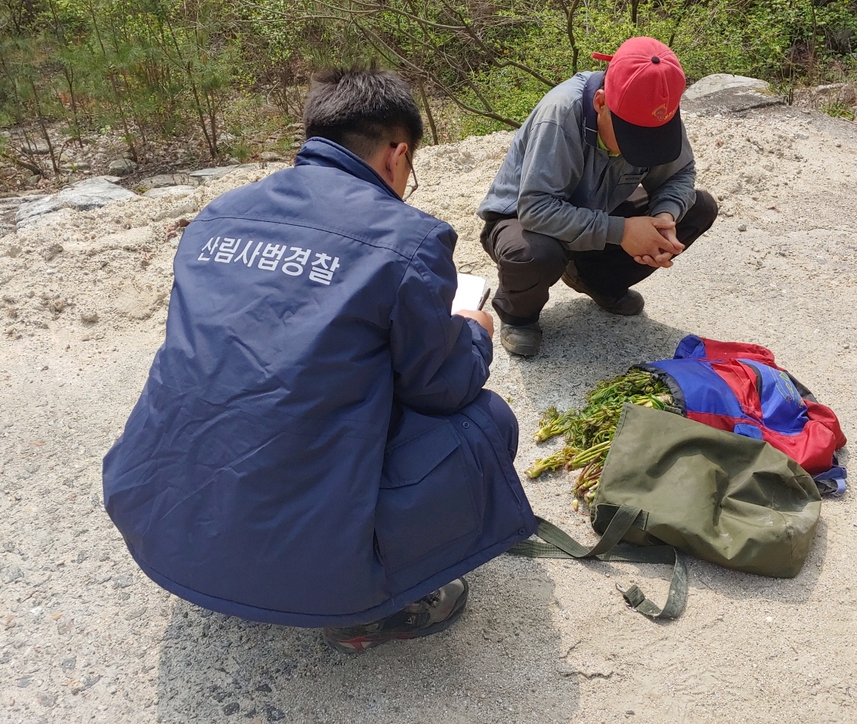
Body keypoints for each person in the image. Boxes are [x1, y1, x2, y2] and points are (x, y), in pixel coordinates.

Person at [102, 66, 536, 655]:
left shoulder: (218, 214)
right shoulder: (408, 238)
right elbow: (441, 388)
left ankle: (240, 568)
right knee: (485, 421)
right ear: (396, 154)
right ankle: (367, 606)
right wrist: (475, 332)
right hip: (303, 564)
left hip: (156, 523)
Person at [477, 36, 719, 357]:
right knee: (534, 253)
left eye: (652, 137)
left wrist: (665, 217)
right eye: (631, 136)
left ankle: (596, 281)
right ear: (601, 102)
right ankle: (518, 314)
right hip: (523, 218)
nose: (640, 148)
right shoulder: (561, 113)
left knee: (697, 208)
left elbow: (680, 173)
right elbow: (537, 209)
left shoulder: (655, 109)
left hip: (597, 210)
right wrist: (623, 231)